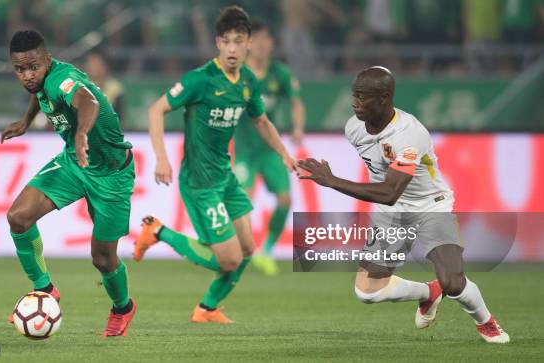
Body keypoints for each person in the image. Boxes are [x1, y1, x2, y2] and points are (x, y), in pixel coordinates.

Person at [297, 66, 509, 344]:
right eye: (354, 95)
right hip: (391, 214)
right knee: (368, 292)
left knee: (453, 283)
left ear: (384, 98)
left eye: (362, 97)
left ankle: (486, 323)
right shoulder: (354, 128)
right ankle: (428, 293)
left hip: (430, 207)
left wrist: (332, 180)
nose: (354, 103)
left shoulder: (408, 134)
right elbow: (386, 190)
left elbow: (390, 191)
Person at [133, 6, 296, 323]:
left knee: (248, 248)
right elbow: (155, 110)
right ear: (217, 43)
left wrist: (285, 155)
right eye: (227, 41)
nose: (233, 48)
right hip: (200, 183)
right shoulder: (200, 79)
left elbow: (261, 121)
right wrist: (163, 158)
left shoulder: (248, 80)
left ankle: (206, 309)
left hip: (226, 178)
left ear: (248, 43)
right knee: (230, 260)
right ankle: (158, 231)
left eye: (239, 41)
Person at [1, 30, 136, 337]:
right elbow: (41, 93)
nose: (27, 75)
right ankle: (45, 289)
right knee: (18, 217)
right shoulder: (43, 80)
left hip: (111, 174)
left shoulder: (63, 79)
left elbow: (88, 102)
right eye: (19, 70)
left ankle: (123, 307)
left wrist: (81, 133)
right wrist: (25, 122)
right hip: (74, 163)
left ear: (47, 59)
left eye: (32, 67)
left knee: (102, 258)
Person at [234, 19, 305, 276]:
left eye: (267, 39)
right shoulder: (237, 74)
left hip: (270, 151)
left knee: (285, 199)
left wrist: (297, 128)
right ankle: (239, 251)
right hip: (244, 151)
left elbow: (296, 103)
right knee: (242, 203)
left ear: (273, 43)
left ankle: (267, 250)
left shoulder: (280, 74)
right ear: (249, 44)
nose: (262, 45)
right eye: (257, 39)